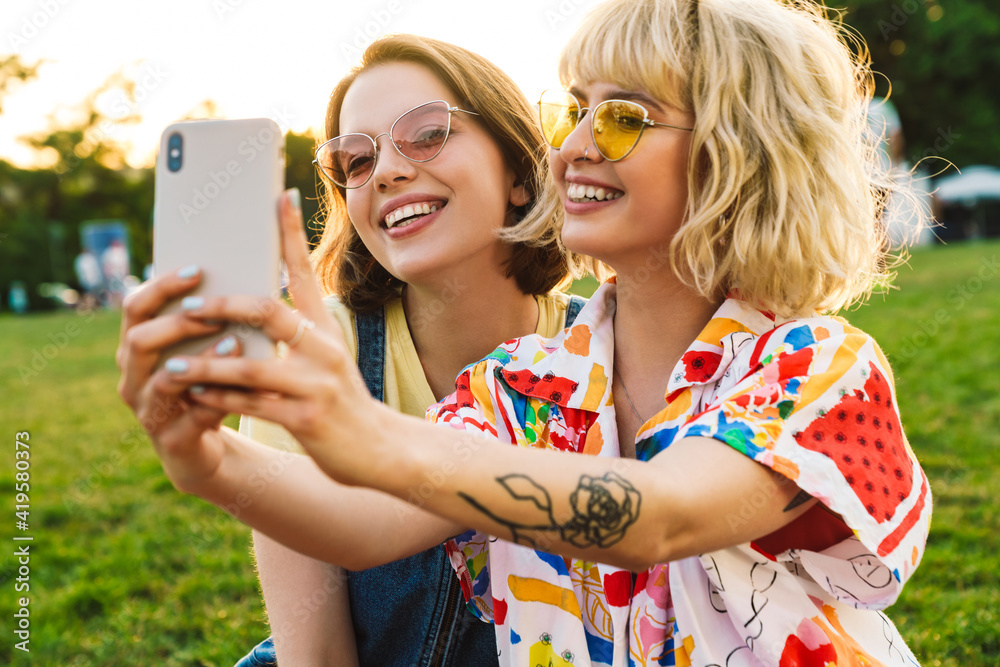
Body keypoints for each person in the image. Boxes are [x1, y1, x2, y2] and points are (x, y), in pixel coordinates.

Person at [138, 0, 932, 664]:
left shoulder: (820, 369)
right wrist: (204, 453)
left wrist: (369, 437)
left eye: (622, 117)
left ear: (738, 152)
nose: (575, 145)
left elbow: (656, 517)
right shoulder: (524, 383)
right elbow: (364, 527)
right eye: (575, 111)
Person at [116, 34, 591, 666]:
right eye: (355, 162)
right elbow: (314, 654)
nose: (388, 171)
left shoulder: (600, 349)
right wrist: (203, 455)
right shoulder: (314, 350)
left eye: (427, 133)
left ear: (519, 174)